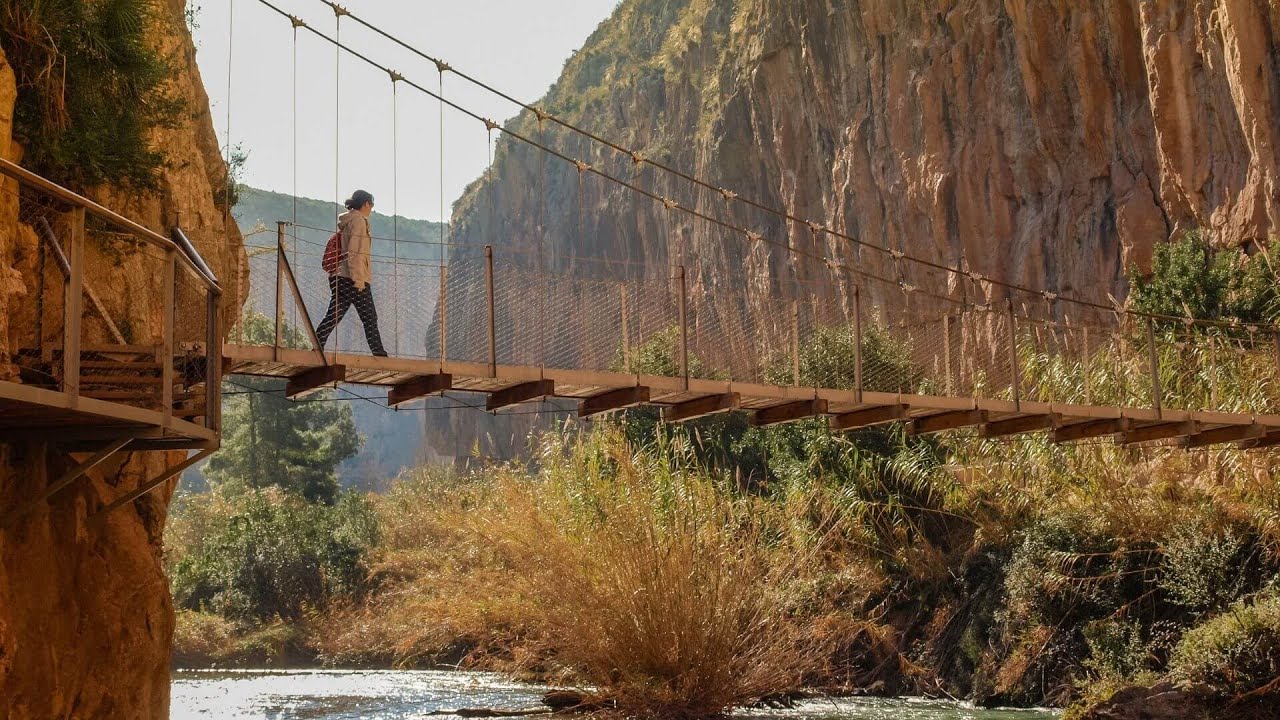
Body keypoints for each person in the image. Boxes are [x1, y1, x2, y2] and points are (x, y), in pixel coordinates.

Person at [315, 189, 388, 356]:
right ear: (365, 204)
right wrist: (359, 280)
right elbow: (355, 252)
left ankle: (317, 343)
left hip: (338, 276)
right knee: (370, 317)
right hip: (352, 277)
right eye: (371, 205)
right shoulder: (359, 222)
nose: (371, 209)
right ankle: (379, 354)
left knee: (335, 314)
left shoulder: (347, 221)